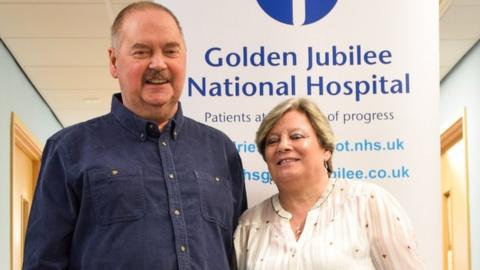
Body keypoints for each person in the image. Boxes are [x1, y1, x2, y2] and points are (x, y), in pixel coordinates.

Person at [23, 2, 247, 270]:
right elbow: (43, 263)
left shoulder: (220, 150)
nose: (158, 63)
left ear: (184, 58)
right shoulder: (69, 150)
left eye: (170, 51)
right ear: (114, 61)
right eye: (141, 52)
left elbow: (236, 255)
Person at [234, 98, 423, 270]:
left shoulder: (368, 202)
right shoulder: (249, 224)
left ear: (326, 149)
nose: (283, 146)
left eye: (296, 136)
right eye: (272, 141)